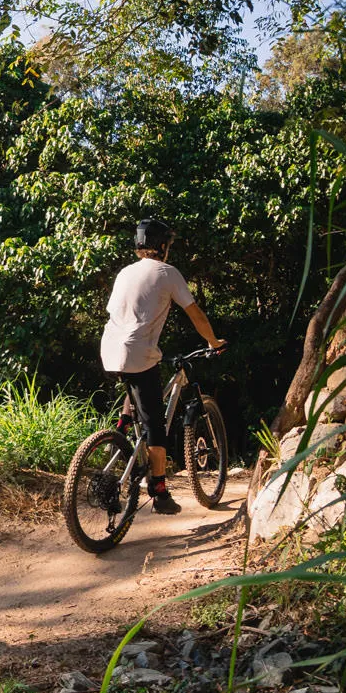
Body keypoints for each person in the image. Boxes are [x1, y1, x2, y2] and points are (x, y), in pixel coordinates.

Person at [100, 220, 224, 514]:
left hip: (109, 348)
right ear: (162, 246)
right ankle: (159, 491)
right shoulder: (167, 273)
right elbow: (195, 314)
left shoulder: (125, 272)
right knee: (156, 425)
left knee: (137, 386)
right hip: (137, 351)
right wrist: (214, 341)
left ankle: (122, 430)